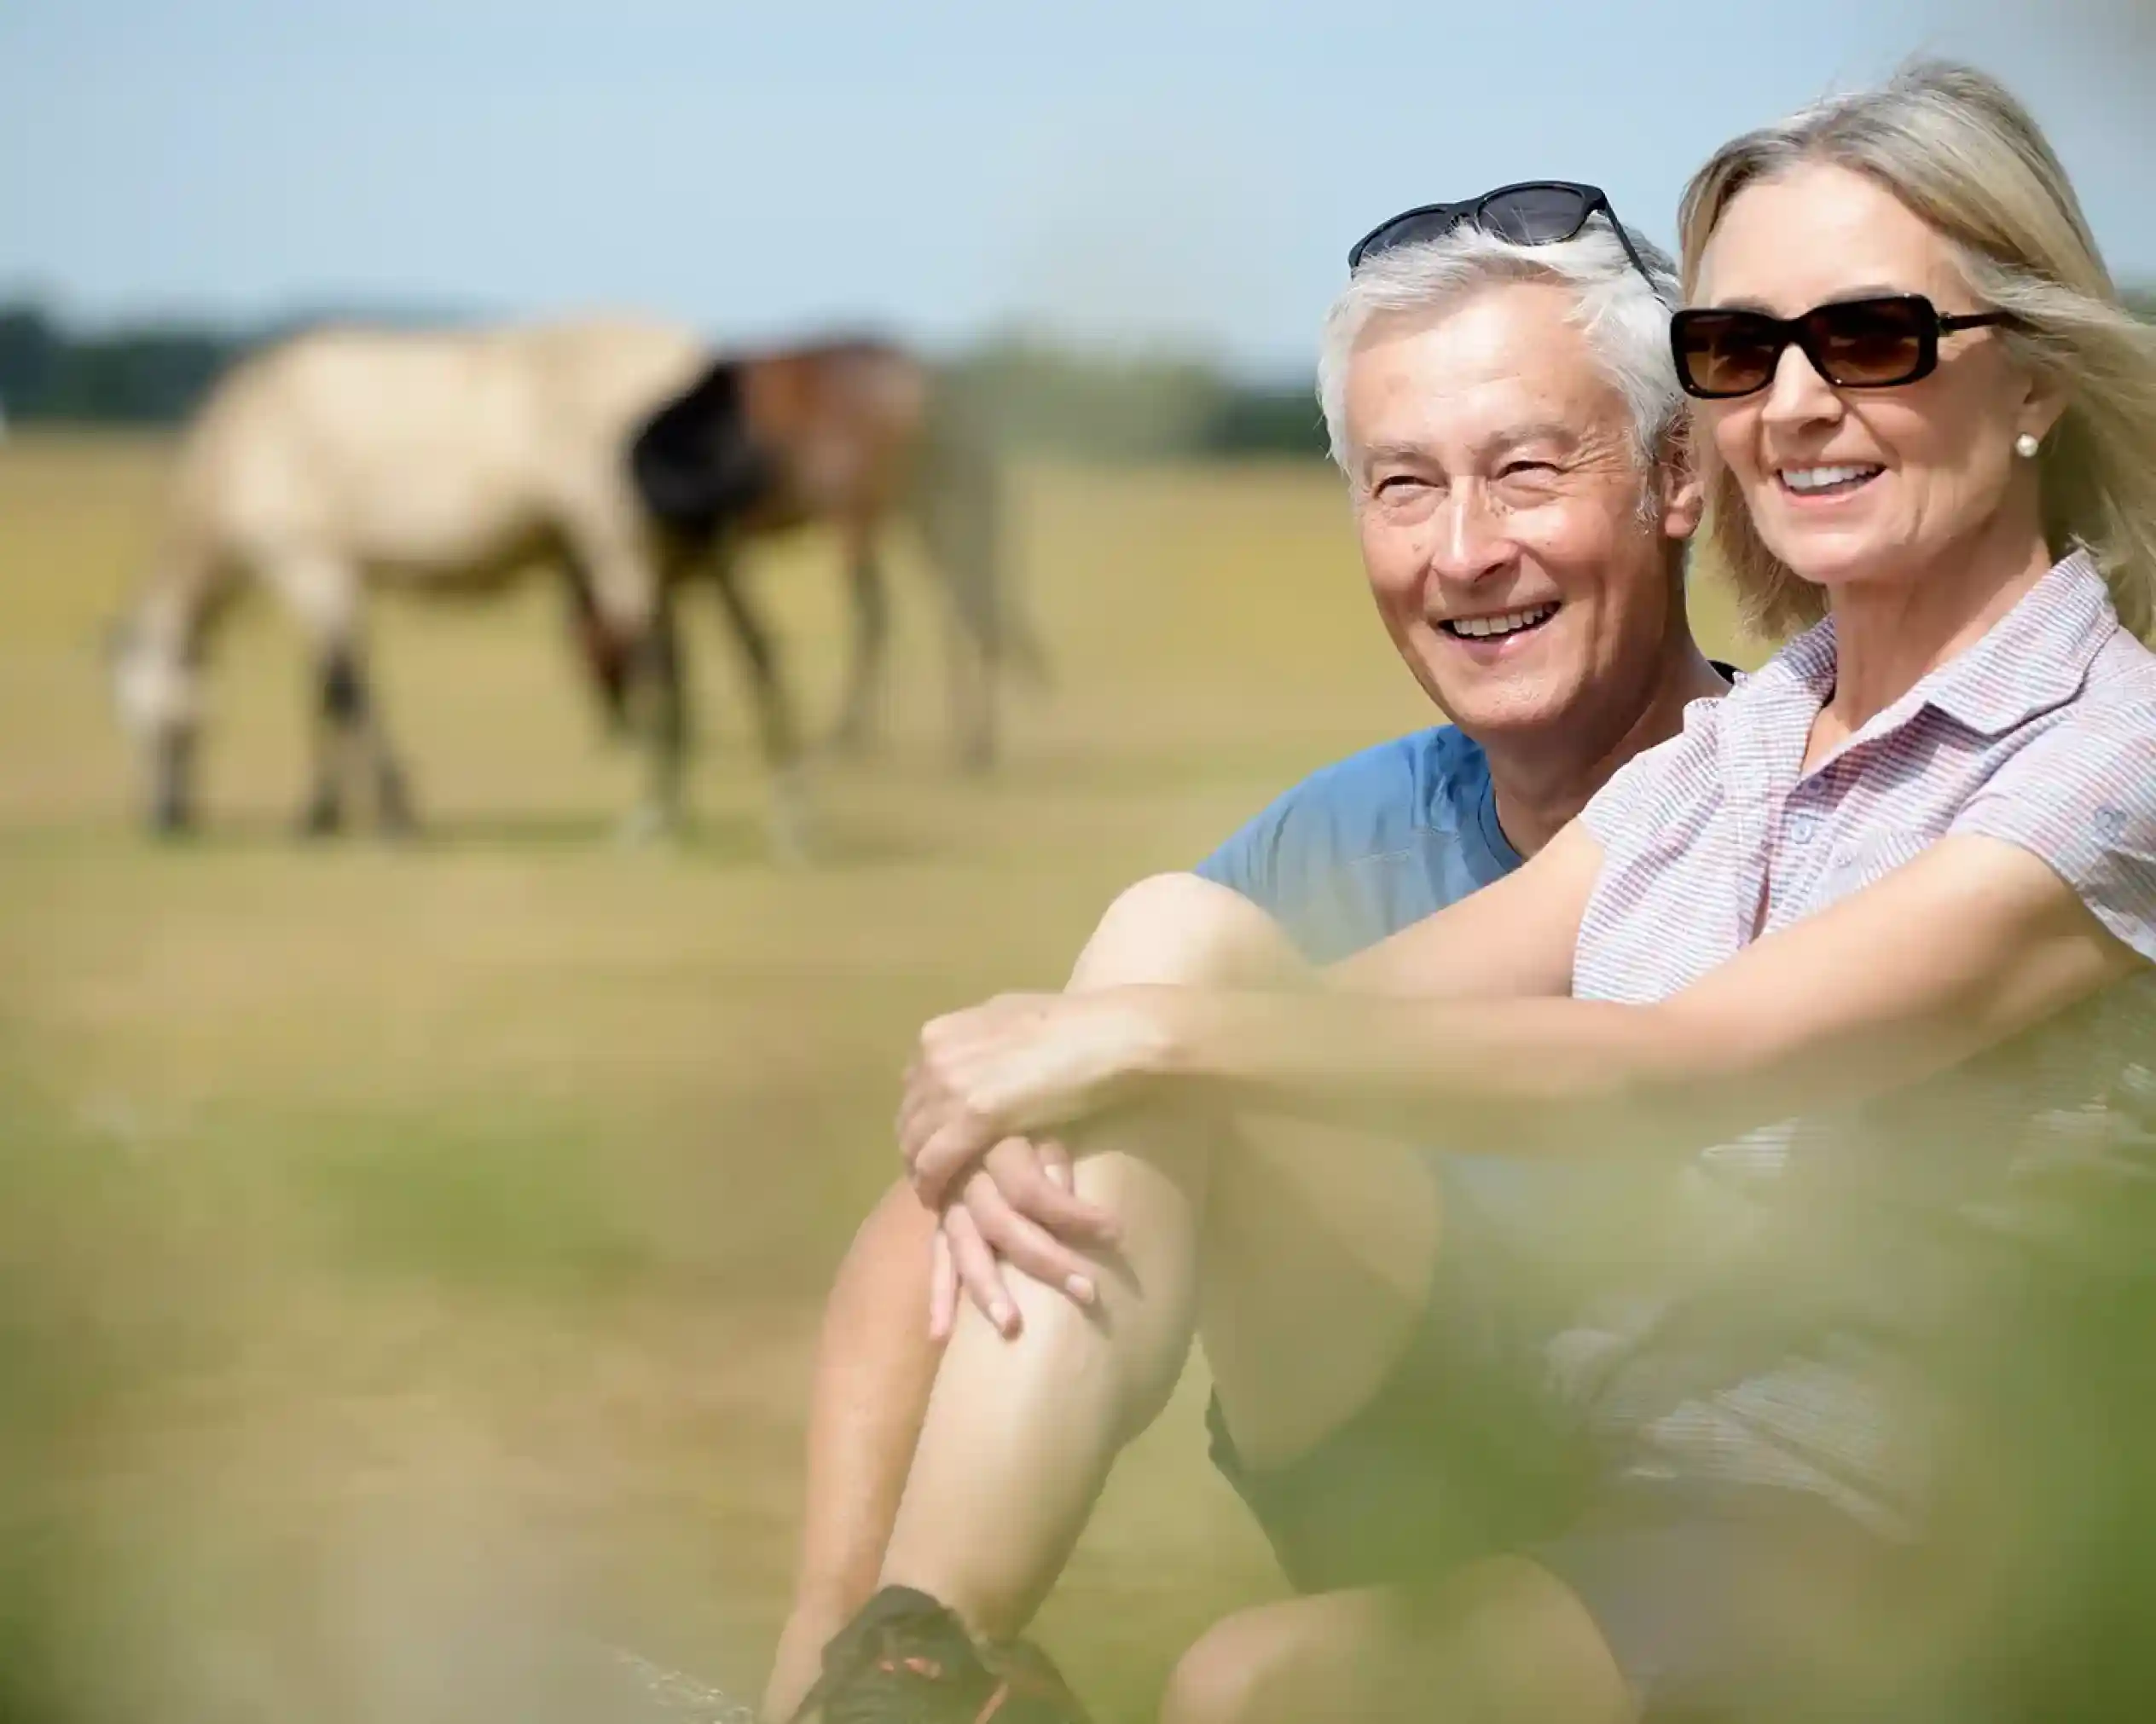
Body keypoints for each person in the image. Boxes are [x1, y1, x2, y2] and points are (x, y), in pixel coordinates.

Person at [865, 59, 2156, 1724]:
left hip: (1874, 1555)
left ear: (2034, 382)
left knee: (1249, 1692)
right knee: (1173, 946)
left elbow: (1684, 1063)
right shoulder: (1749, 738)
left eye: (1871, 338)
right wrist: (1072, 1063)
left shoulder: (2113, 755)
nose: (1795, 402)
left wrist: (1125, 1049)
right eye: (1736, 350)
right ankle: (899, 1668)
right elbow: (1324, 1024)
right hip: (1593, 1453)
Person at [762, 193, 1735, 1722]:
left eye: (1526, 472)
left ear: (1678, 476)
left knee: (1175, 962)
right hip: (1416, 1499)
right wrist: (813, 1649)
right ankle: (896, 1680)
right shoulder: (1329, 842)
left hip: (1708, 1564)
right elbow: (938, 1226)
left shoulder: (1813, 808)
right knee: (1171, 947)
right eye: (1403, 486)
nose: (1467, 551)